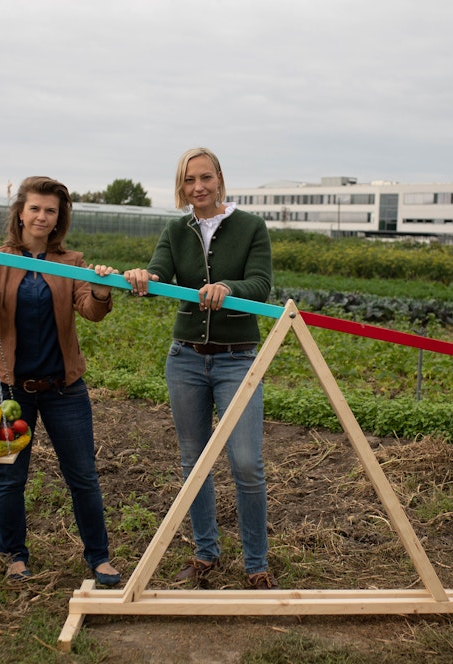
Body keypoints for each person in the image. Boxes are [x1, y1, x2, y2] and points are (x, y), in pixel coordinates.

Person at [0, 176, 123, 587]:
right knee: (11, 476)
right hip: (9, 387)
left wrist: (100, 290)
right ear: (21, 213)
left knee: (82, 474)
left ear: (59, 217)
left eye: (51, 210)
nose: (43, 216)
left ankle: (99, 559)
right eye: (35, 208)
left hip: (64, 389)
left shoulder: (70, 262)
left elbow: (91, 311)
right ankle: (14, 556)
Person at [123, 148, 276, 589]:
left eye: (205, 178)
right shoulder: (176, 229)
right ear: (181, 186)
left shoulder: (250, 227)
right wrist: (142, 279)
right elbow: (158, 275)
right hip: (185, 359)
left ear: (220, 179)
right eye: (190, 181)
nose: (198, 187)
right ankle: (206, 553)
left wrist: (228, 287)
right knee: (195, 462)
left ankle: (256, 563)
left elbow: (261, 285)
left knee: (246, 462)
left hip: (237, 357)